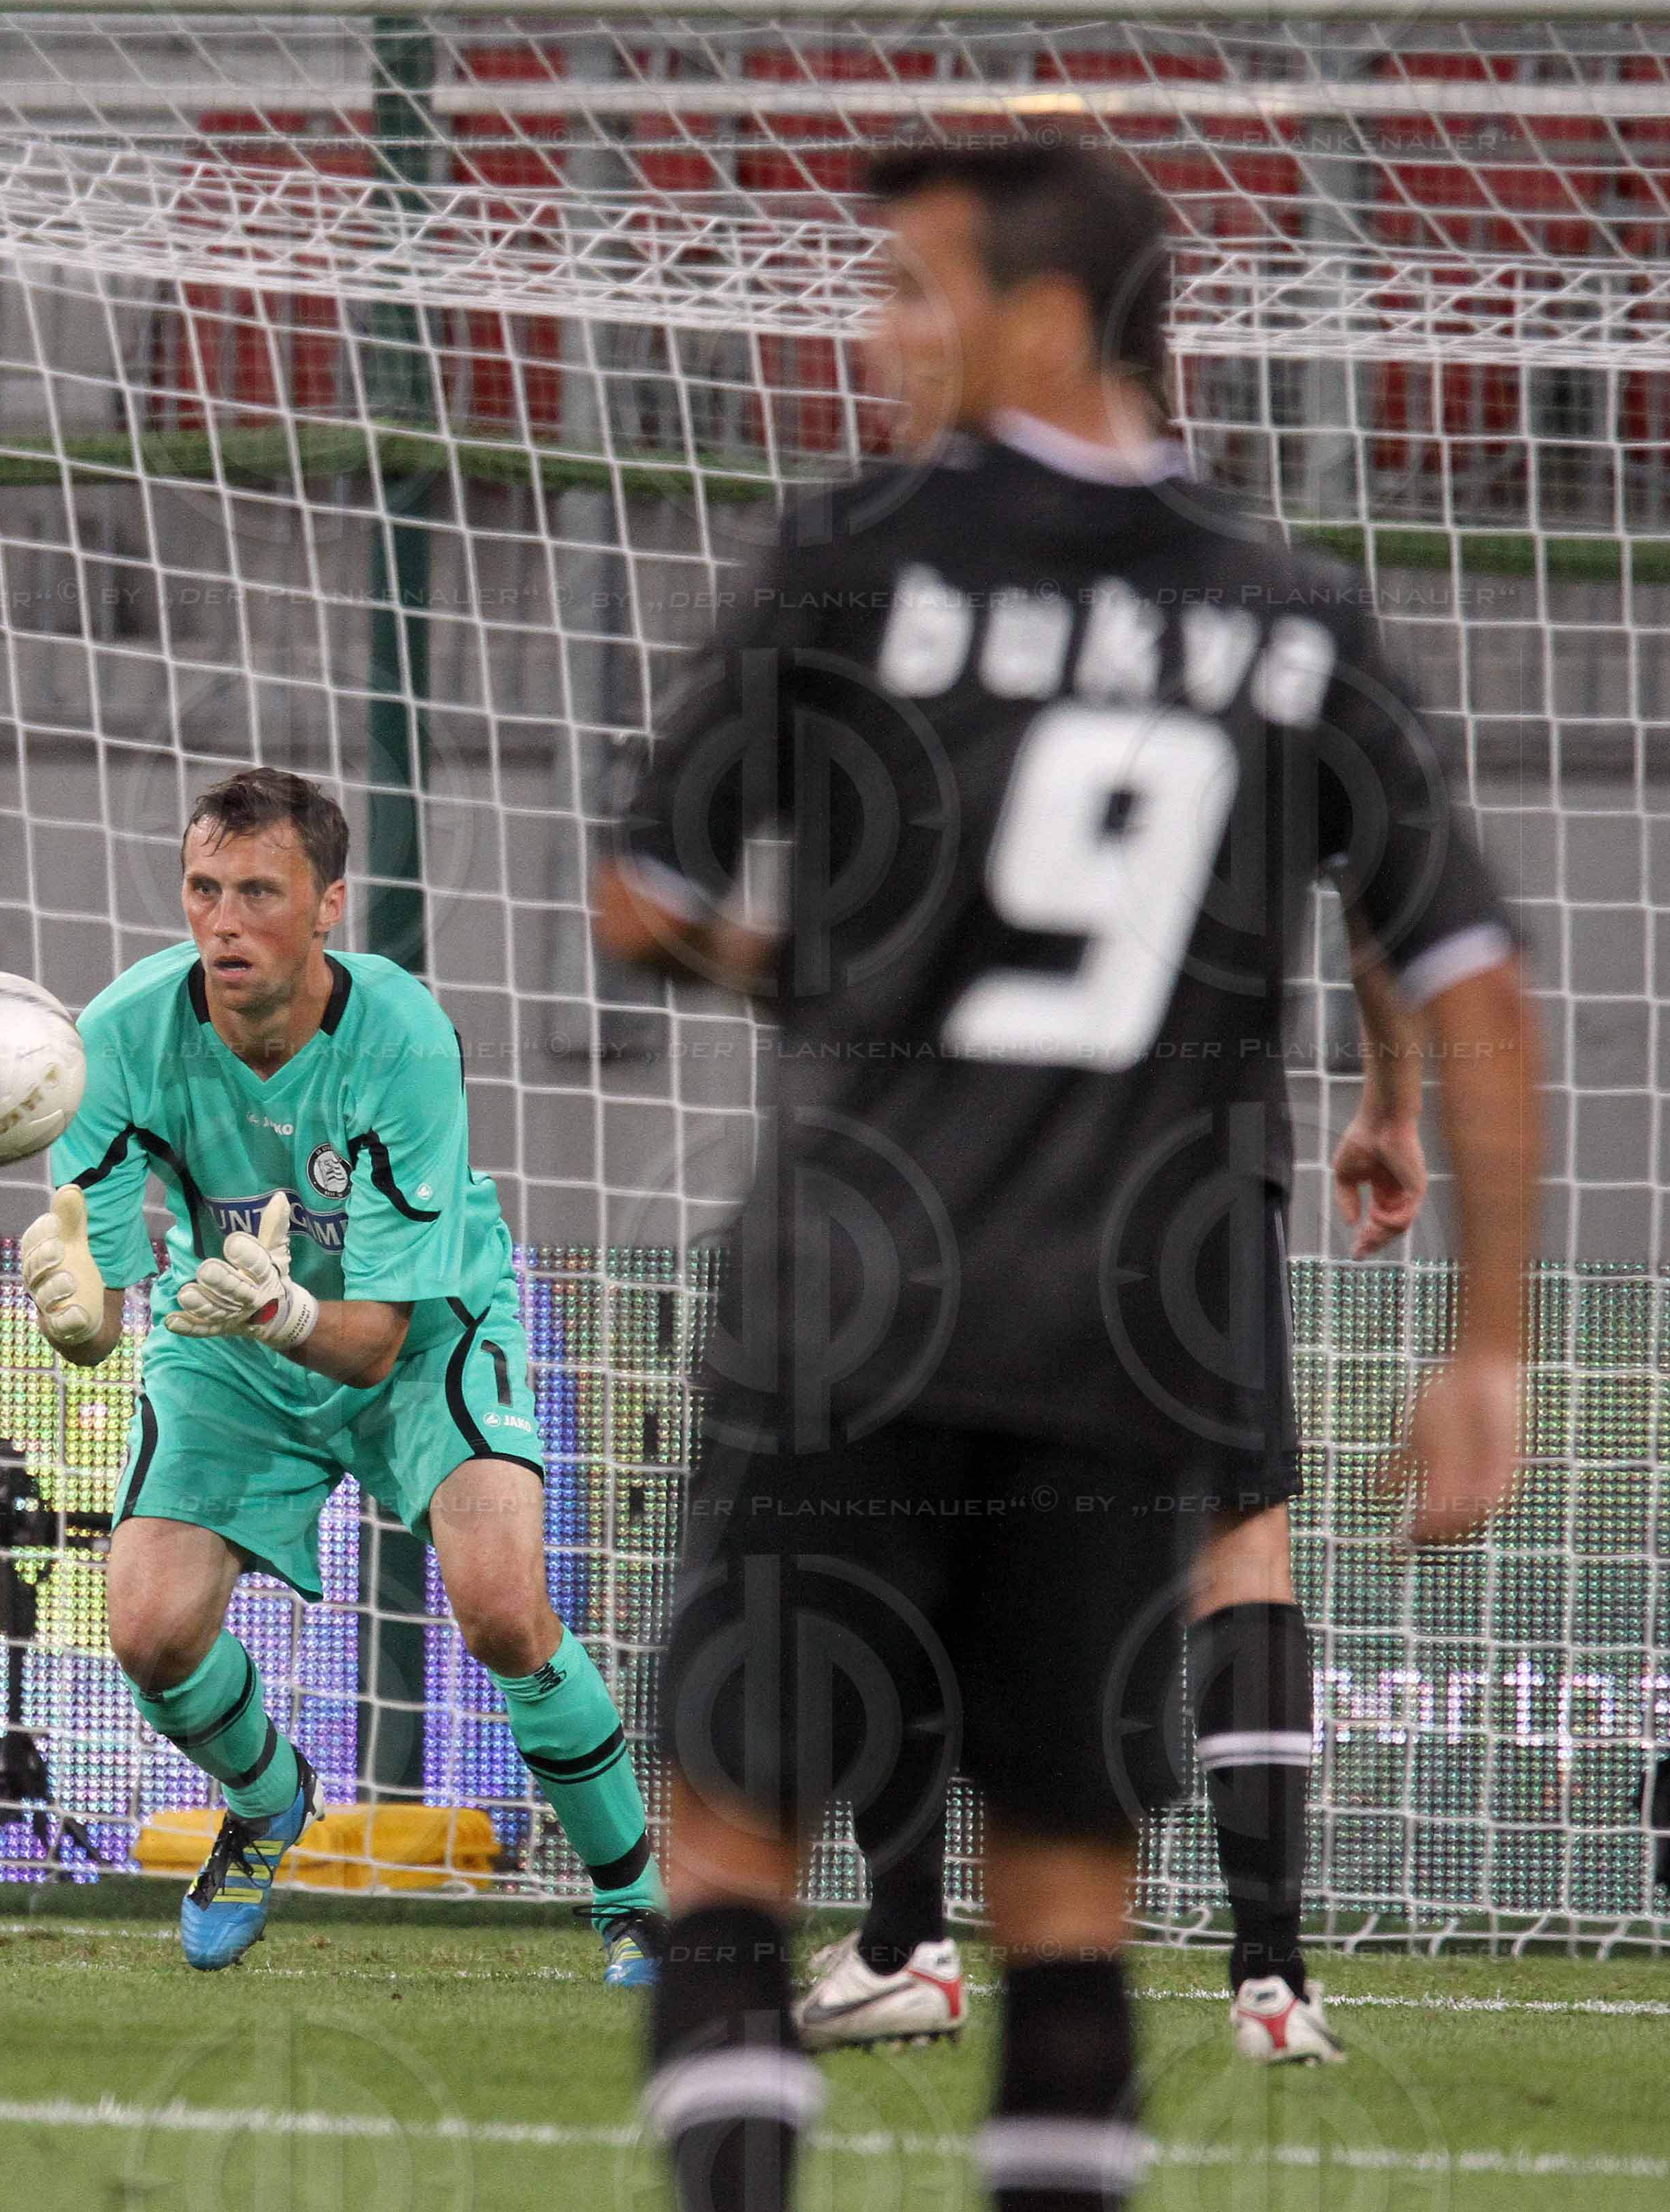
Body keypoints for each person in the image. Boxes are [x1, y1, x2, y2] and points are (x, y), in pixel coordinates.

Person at [591, 137, 1537, 2212]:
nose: (874, 334)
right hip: (1127, 1328)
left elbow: (638, 896)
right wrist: (1485, 1339)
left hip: (846, 1299)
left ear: (1030, 315)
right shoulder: (1292, 619)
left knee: (730, 1851)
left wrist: (804, 965)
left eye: (910, 290)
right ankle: (1239, 1986)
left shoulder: (850, 560)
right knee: (1071, 1911)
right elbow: (1467, 973)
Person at [22, 766, 664, 1981]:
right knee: (150, 1633)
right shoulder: (104, 1041)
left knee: (502, 1608)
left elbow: (370, 1337)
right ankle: (270, 1805)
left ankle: (633, 1901)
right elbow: (105, 1312)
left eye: (259, 890)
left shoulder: (403, 1035)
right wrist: (71, 1317)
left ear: (329, 907)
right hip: (228, 1335)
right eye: (203, 888)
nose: (223, 920)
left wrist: (282, 1302)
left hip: (423, 1334)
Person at [795, 943, 1422, 2069]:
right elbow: (1382, 919)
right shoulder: (1283, 753)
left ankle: (906, 1945)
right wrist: (1390, 1100)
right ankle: (1272, 1977)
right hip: (1201, 1137)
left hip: (974, 1136)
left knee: (916, 1510)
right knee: (1240, 1532)